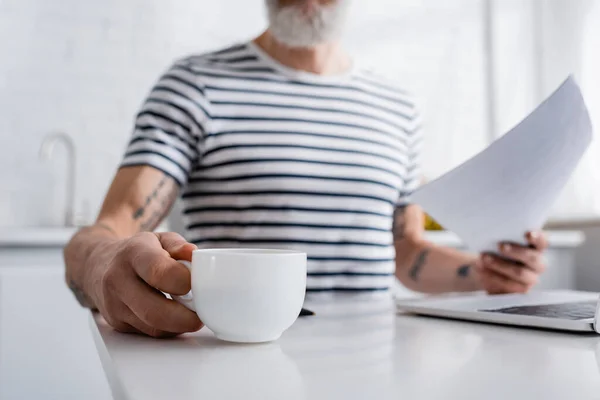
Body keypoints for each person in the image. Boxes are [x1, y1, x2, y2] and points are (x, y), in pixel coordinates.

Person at [64, 0, 548, 338]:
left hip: (378, 359)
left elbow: (406, 252)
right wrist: (98, 261)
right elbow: (115, 225)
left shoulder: (397, 109)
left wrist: (484, 272)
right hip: (233, 356)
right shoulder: (194, 85)